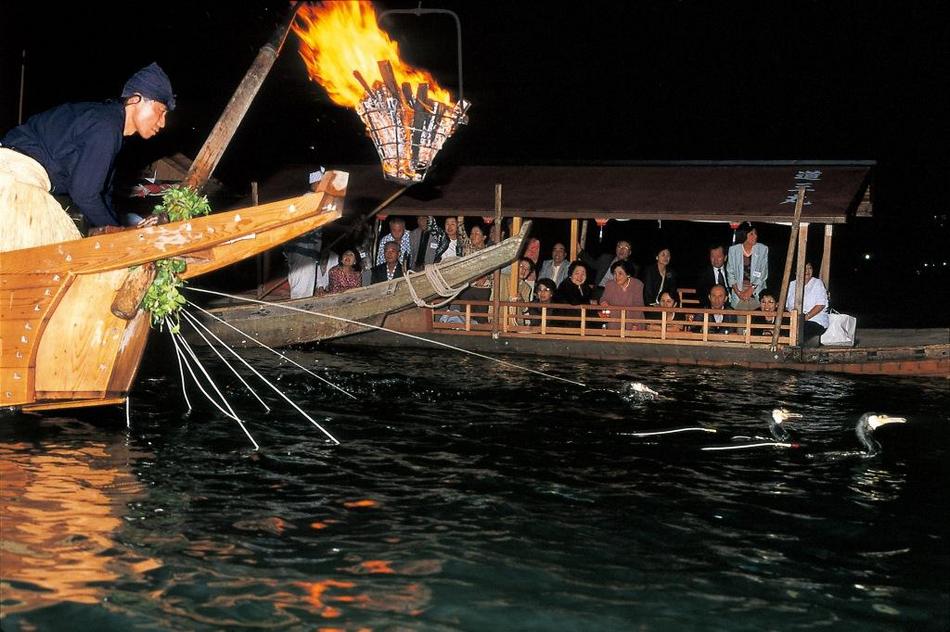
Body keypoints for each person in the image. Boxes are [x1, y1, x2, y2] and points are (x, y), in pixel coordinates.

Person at [1, 63, 175, 242]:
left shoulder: (109, 127)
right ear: (135, 99)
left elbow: (102, 195)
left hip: (27, 174)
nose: (162, 123)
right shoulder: (106, 126)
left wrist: (118, 228)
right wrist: (121, 236)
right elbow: (84, 194)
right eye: (160, 111)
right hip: (15, 176)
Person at [726, 221, 768, 310]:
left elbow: (763, 273)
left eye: (756, 233)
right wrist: (739, 293)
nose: (755, 236)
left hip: (756, 289)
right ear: (744, 235)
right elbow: (730, 274)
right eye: (751, 234)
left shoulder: (763, 249)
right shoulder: (733, 250)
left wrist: (750, 290)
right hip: (739, 290)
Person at [786, 262, 829, 342]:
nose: (807, 271)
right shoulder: (792, 284)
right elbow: (788, 306)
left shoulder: (817, 283)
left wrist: (806, 317)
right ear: (796, 272)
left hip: (814, 320)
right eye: (804, 268)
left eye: (809, 268)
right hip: (795, 320)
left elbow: (820, 305)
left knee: (801, 329)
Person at [599, 260, 645, 331]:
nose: (617, 276)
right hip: (615, 320)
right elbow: (603, 299)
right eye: (614, 273)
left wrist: (635, 324)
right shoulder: (610, 284)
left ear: (628, 274)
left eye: (620, 273)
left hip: (633, 320)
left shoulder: (637, 284)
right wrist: (603, 302)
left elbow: (638, 304)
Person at [554, 261, 593, 329]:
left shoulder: (585, 287)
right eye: (577, 273)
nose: (580, 277)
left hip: (581, 324)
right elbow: (574, 301)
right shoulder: (565, 285)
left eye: (583, 274)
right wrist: (590, 302)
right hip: (565, 324)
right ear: (571, 274)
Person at [284, 228, 322, 299]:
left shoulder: (317, 229)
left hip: (310, 262)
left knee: (306, 295)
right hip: (301, 263)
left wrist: (319, 284)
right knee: (299, 296)